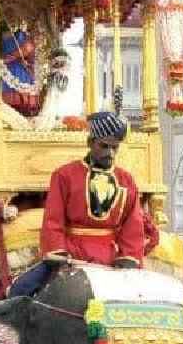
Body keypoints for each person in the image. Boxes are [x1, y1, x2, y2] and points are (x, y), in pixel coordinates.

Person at [38, 112, 146, 270]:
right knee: (24, 287)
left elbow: (133, 224)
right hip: (71, 256)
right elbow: (53, 220)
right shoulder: (64, 175)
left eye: (114, 147)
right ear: (90, 142)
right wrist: (58, 253)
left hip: (112, 259)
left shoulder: (126, 180)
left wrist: (128, 256)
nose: (110, 153)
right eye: (104, 146)